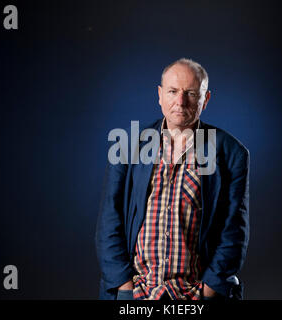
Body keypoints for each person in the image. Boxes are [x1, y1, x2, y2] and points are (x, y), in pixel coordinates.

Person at [95, 58, 250, 300]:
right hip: (138, 291)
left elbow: (233, 231)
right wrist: (125, 287)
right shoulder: (128, 146)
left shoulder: (232, 154)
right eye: (172, 91)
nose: (180, 101)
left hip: (195, 293)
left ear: (205, 99)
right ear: (159, 95)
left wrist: (208, 291)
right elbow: (109, 222)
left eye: (190, 93)